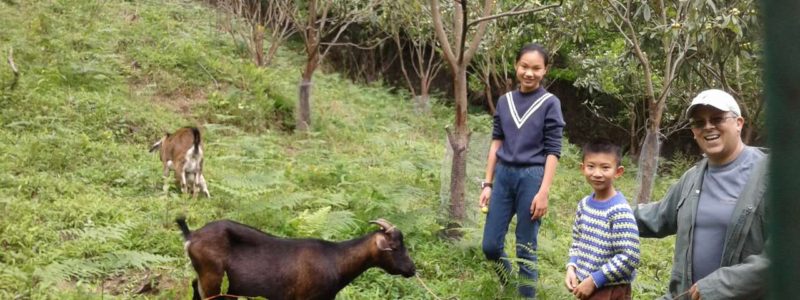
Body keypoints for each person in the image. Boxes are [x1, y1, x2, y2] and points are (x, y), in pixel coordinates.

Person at [635, 89, 769, 300]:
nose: (708, 126)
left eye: (717, 118)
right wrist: (612, 215)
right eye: (699, 122)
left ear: (739, 123)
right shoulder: (692, 178)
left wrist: (721, 285)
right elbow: (659, 215)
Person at [478, 43, 565, 298]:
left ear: (545, 70)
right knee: (491, 246)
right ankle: (509, 281)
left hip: (532, 178)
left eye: (536, 68)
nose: (529, 73)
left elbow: (553, 151)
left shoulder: (550, 103)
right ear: (516, 66)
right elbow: (497, 142)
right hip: (504, 176)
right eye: (524, 66)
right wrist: (487, 183)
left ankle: (527, 295)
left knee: (526, 247)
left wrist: (544, 191)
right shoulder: (505, 101)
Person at [564, 139, 640, 300]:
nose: (597, 173)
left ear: (618, 172)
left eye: (605, 167)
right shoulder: (584, 205)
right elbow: (577, 241)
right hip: (587, 285)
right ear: (582, 168)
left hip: (611, 289)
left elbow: (630, 256)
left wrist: (594, 280)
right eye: (591, 166)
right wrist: (572, 267)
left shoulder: (619, 211)